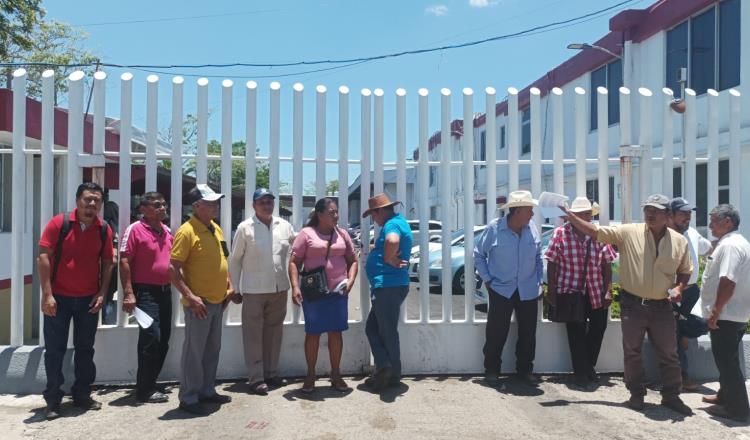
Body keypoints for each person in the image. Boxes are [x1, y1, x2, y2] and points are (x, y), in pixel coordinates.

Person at [563, 194, 693, 416]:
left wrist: (679, 288)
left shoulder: (679, 241)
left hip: (662, 307)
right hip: (633, 304)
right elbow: (596, 232)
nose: (650, 214)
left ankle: (671, 396)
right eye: (647, 210)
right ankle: (636, 395)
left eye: (656, 210)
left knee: (669, 353)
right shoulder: (628, 232)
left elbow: (685, 271)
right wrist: (570, 216)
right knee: (632, 352)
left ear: (667, 215)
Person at [37, 182, 115, 420]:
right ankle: (53, 400)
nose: (92, 205)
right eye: (87, 199)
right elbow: (43, 257)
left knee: (85, 350)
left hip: (87, 301)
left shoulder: (103, 229)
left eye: (97, 201)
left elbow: (108, 263)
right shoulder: (58, 224)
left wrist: (102, 293)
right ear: (77, 201)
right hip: (58, 300)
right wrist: (47, 294)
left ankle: (82, 395)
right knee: (54, 351)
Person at [170, 184, 239, 415]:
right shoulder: (187, 231)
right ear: (196, 206)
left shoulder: (215, 228)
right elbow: (173, 268)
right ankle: (188, 398)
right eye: (209, 203)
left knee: (212, 350)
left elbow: (223, 258)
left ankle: (207, 391)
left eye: (215, 202)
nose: (214, 206)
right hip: (199, 304)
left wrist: (228, 285)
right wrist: (191, 297)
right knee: (194, 352)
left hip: (218, 301)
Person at [228, 188, 295, 395]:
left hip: (279, 288)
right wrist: (235, 288)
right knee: (253, 335)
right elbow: (235, 259)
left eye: (269, 201)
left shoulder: (284, 226)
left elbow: (296, 250)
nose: (266, 205)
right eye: (262, 201)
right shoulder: (245, 228)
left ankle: (271, 373)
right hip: (254, 290)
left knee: (274, 333)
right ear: (254, 205)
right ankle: (256, 379)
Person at [474, 190, 543, 387]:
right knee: (496, 332)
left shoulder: (532, 228)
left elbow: (538, 257)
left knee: (528, 333)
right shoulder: (495, 228)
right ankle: (492, 370)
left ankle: (525, 370)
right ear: (517, 211)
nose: (532, 214)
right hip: (501, 289)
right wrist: (487, 279)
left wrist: (539, 281)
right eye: (529, 210)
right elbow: (479, 255)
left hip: (528, 289)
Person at [545, 197, 617, 385]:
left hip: (596, 290)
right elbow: (552, 262)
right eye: (583, 214)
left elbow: (607, 265)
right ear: (573, 216)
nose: (587, 217)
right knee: (575, 332)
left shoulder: (599, 235)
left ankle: (587, 367)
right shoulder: (560, 233)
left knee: (598, 328)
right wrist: (551, 290)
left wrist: (608, 290)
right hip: (570, 290)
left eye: (588, 214)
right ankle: (581, 373)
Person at [289, 198, 359, 393]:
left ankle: (335, 375)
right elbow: (294, 262)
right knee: (313, 334)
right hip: (314, 293)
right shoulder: (306, 234)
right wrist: (295, 287)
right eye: (331, 212)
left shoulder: (342, 234)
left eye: (336, 212)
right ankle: (310, 375)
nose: (336, 216)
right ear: (319, 215)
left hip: (338, 292)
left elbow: (353, 260)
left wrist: (351, 280)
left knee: (336, 333)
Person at [119, 192, 174, 403]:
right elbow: (124, 261)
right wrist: (129, 293)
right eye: (157, 205)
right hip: (146, 293)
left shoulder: (167, 231)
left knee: (164, 340)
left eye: (163, 204)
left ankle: (151, 382)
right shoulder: (135, 230)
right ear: (144, 208)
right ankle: (143, 390)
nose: (162, 208)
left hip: (165, 292)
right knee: (151, 338)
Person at [699, 204, 750, 422]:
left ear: (727, 221)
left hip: (726, 315)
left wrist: (715, 312)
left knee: (727, 362)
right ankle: (724, 396)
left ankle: (738, 410)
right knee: (726, 360)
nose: (709, 224)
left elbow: (727, 282)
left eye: (713, 220)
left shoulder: (730, 246)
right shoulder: (737, 242)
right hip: (735, 313)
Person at [362, 193, 412, 391]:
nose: (374, 219)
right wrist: (378, 250)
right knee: (375, 329)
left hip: (388, 287)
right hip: (389, 287)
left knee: (385, 331)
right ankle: (388, 369)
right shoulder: (397, 222)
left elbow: (392, 241)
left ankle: (388, 371)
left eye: (373, 215)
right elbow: (388, 243)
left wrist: (389, 258)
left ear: (380, 211)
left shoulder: (392, 225)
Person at [667, 197, 713, 391]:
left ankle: (685, 332)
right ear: (670, 215)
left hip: (692, 291)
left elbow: (708, 248)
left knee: (704, 324)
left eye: (689, 213)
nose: (688, 216)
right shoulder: (664, 236)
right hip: (672, 291)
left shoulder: (692, 232)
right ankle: (680, 378)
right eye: (683, 213)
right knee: (673, 336)